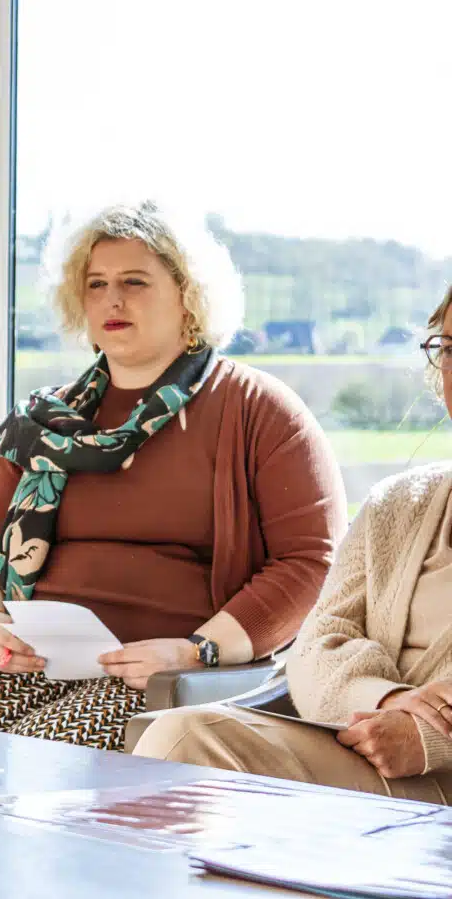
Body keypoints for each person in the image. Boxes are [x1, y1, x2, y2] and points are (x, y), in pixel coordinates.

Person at [0, 202, 346, 750]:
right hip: (34, 658)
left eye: (134, 282)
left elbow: (310, 563)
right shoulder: (42, 421)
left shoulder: (258, 409)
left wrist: (196, 651)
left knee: (46, 754)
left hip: (170, 668)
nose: (112, 300)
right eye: (95, 284)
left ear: (189, 296)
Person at [135, 284, 452, 800]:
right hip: (362, 745)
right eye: (451, 348)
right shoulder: (398, 503)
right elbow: (317, 643)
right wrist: (387, 699)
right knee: (181, 735)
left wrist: (431, 737)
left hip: (439, 775)